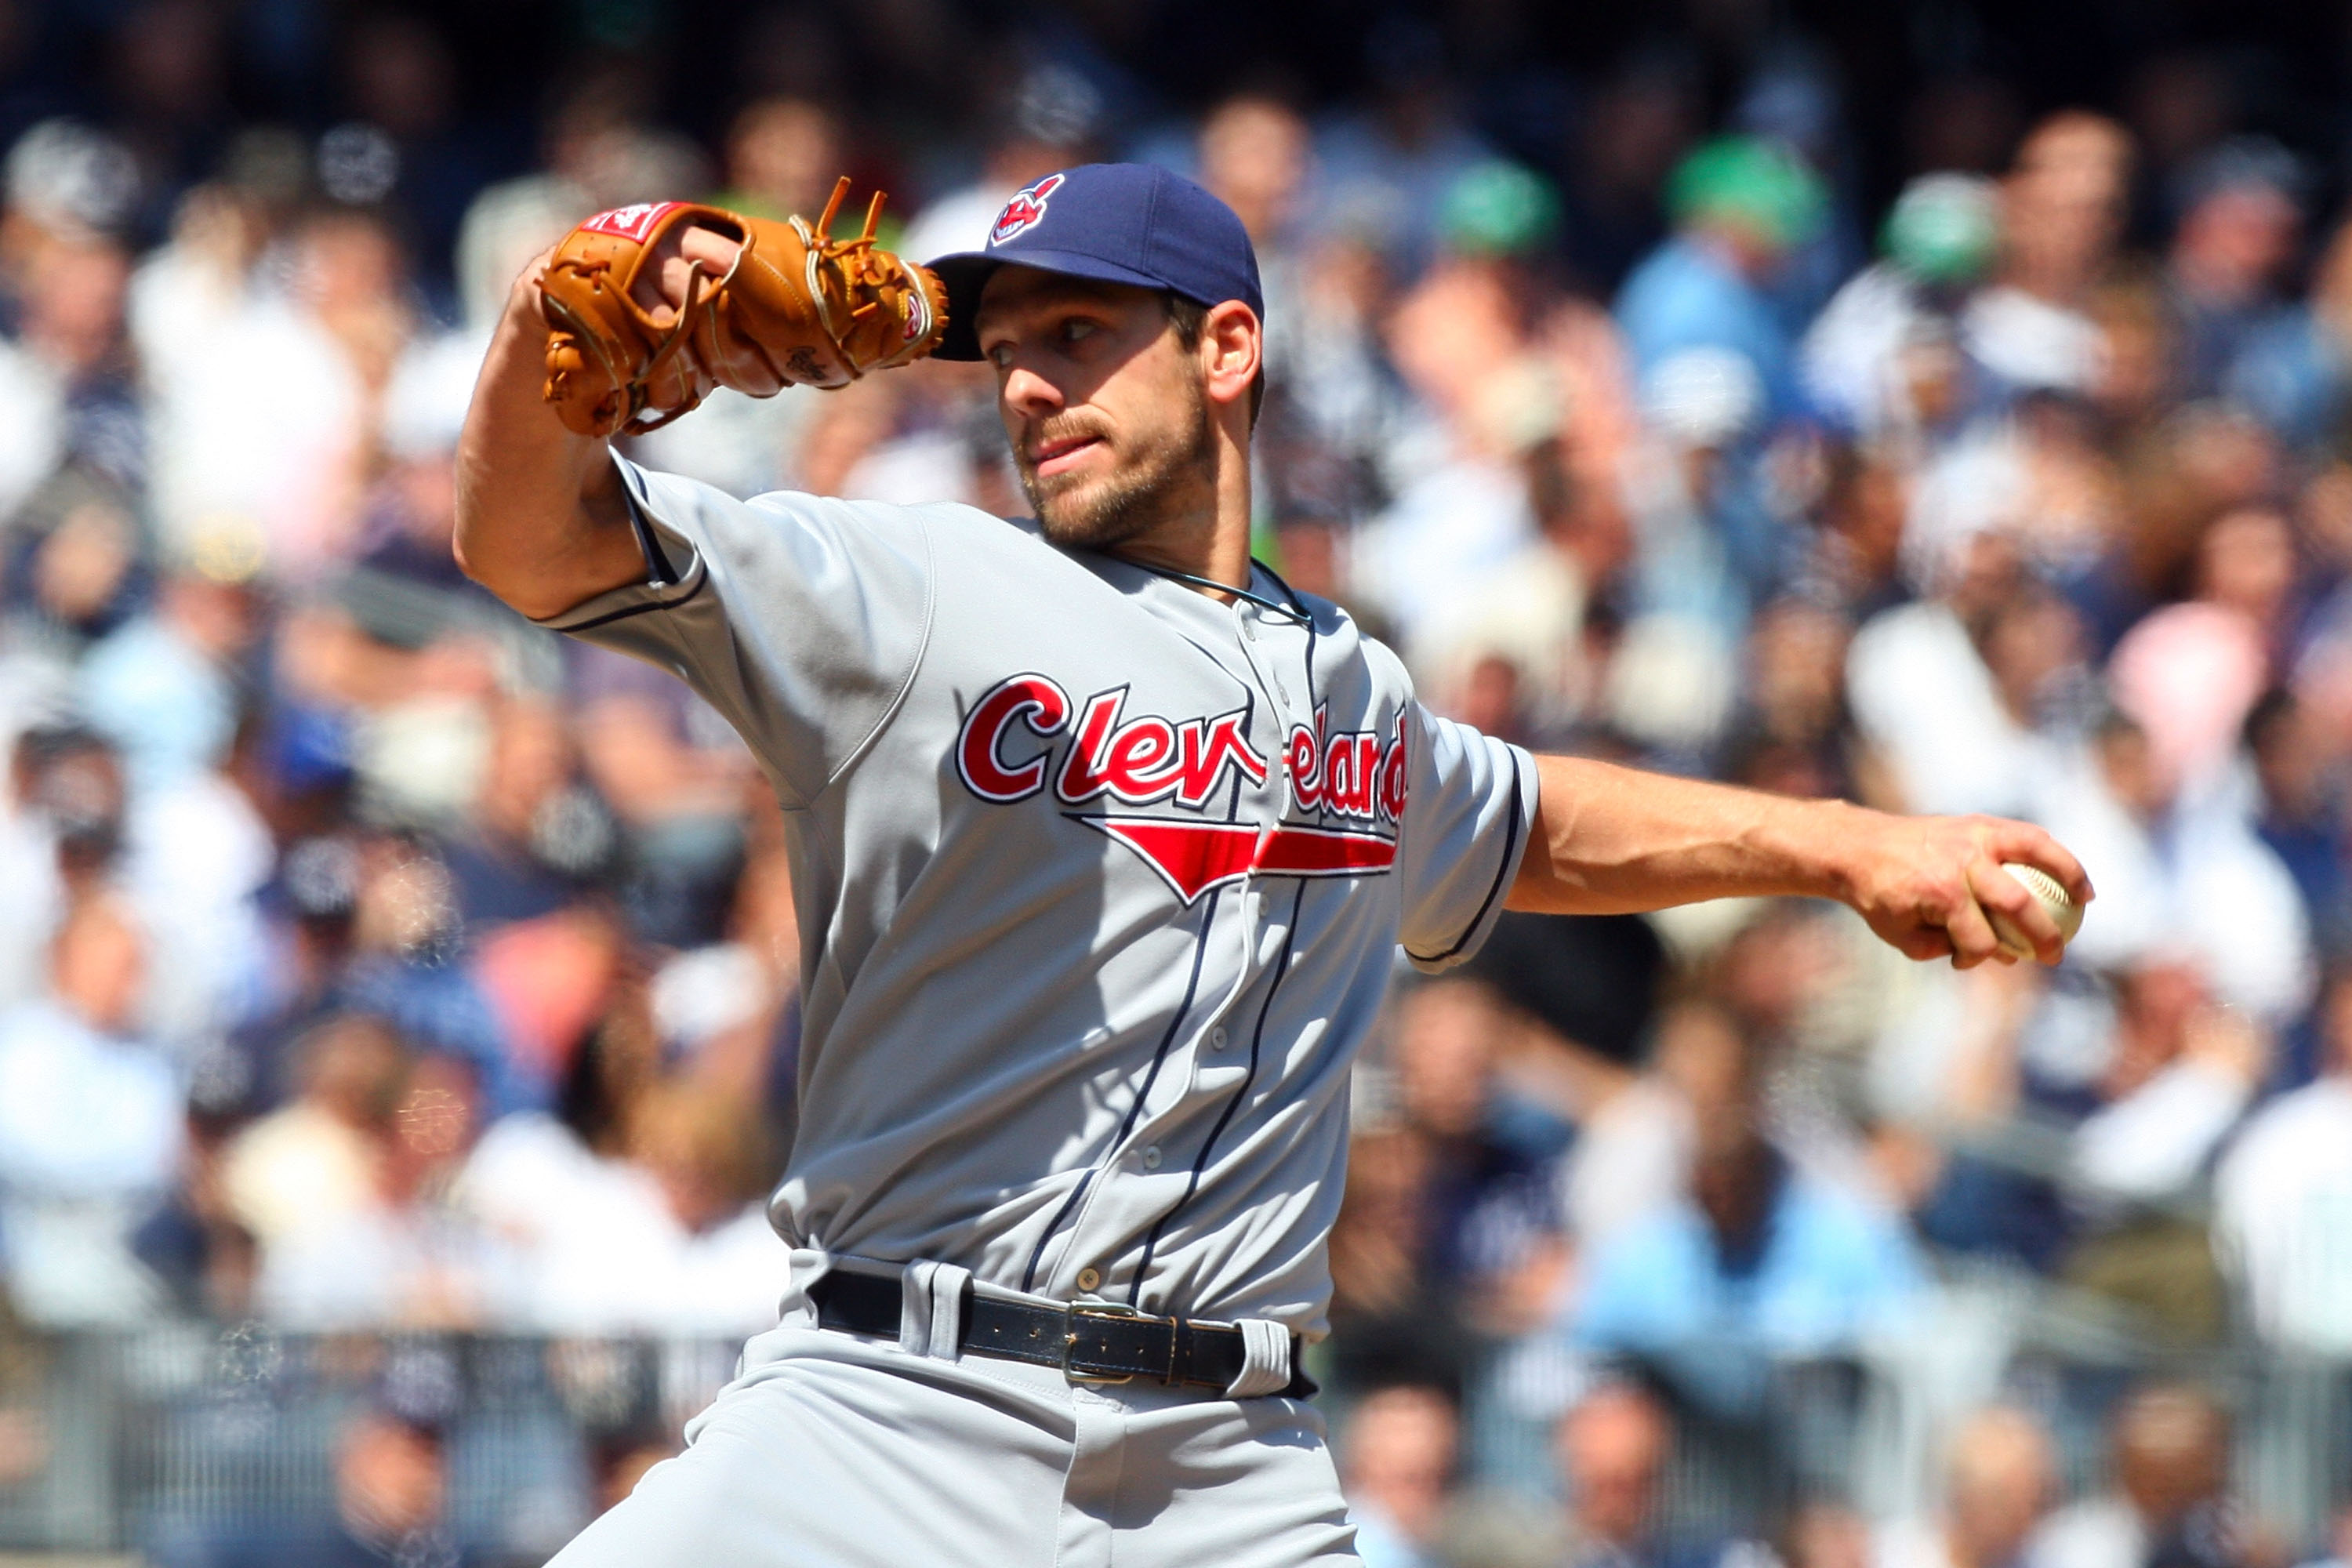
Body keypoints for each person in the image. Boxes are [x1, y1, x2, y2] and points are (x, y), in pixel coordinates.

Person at [453, 160, 2090, 1566]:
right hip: (888, 1415)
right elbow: (529, 543)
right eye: (1008, 350)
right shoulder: (916, 590)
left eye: (1080, 335)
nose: (1028, 383)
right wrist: (556, 314)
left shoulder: (1354, 689)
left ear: (1227, 346)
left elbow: (1532, 822)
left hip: (1227, 1471)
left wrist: (1855, 845)